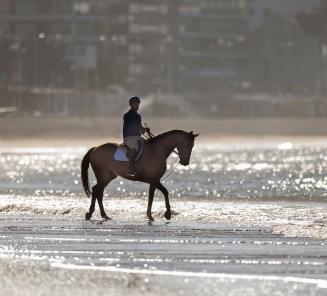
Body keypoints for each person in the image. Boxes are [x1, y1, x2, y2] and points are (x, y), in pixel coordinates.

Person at [123, 96, 149, 176]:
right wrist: (141, 130)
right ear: (131, 105)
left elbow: (139, 127)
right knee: (136, 148)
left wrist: (145, 129)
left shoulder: (138, 116)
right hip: (129, 137)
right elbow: (131, 127)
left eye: (138, 104)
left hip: (136, 137)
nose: (137, 105)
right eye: (135, 104)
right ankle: (130, 168)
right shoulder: (127, 115)